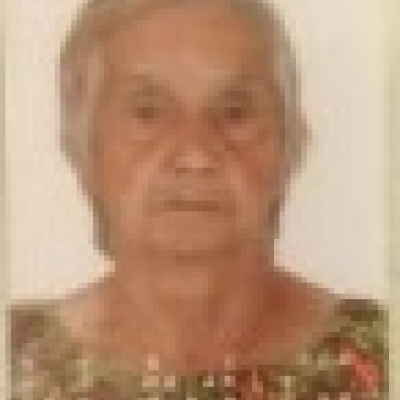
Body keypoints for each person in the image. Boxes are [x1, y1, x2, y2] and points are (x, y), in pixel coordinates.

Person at [10, 0, 387, 399]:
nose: (195, 154)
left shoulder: (380, 356)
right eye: (147, 112)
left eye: (235, 113)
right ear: (82, 146)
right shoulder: (16, 360)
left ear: (292, 145)